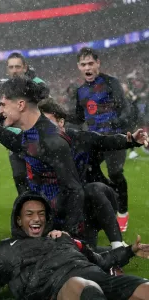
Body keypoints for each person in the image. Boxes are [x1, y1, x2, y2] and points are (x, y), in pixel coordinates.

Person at [0, 192, 149, 300]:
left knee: (143, 287)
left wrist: (131, 251)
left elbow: (101, 260)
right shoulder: (6, 248)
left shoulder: (61, 237)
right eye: (29, 214)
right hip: (58, 289)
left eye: (40, 214)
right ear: (19, 220)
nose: (36, 219)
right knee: (84, 287)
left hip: (98, 278)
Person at [0, 76, 85, 237]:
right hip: (43, 221)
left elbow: (75, 190)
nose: (1, 111)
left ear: (20, 105)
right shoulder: (34, 133)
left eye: (4, 105)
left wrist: (66, 234)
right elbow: (12, 140)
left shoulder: (51, 140)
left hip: (56, 228)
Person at [38, 98, 148, 249]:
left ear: (61, 122)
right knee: (84, 253)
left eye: (47, 123)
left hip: (92, 204)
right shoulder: (35, 148)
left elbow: (106, 141)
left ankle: (117, 246)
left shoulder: (79, 138)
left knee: (92, 189)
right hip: (62, 209)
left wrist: (132, 141)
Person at [74, 47, 133, 232]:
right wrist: (55, 115)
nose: (87, 67)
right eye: (83, 64)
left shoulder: (111, 83)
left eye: (90, 63)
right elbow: (78, 118)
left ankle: (122, 212)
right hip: (94, 140)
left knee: (115, 173)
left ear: (98, 63)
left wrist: (116, 122)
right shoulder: (80, 91)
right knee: (85, 173)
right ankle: (106, 201)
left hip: (114, 138)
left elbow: (125, 109)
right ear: (78, 67)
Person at [4, 52, 49, 195]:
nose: (14, 70)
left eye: (18, 66)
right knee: (19, 177)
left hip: (36, 139)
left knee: (40, 177)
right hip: (15, 139)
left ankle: (43, 210)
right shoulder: (6, 87)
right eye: (11, 67)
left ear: (25, 68)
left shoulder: (39, 85)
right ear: (7, 69)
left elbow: (45, 109)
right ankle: (26, 209)